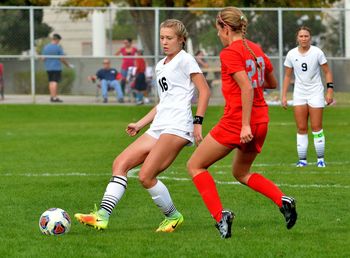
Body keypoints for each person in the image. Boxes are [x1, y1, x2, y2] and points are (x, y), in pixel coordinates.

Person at [75, 19, 211, 233]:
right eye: (162, 37)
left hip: (177, 126)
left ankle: (173, 216)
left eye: (169, 38)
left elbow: (204, 91)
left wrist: (198, 123)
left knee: (146, 176)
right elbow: (163, 102)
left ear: (182, 40)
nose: (164, 42)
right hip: (159, 125)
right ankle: (102, 216)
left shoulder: (186, 60)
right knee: (120, 163)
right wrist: (140, 123)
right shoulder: (160, 65)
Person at [187, 7, 297, 239]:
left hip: (238, 122)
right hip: (261, 121)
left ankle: (220, 216)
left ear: (226, 28)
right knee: (241, 172)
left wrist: (244, 124)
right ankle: (282, 199)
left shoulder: (229, 52)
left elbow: (247, 87)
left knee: (195, 166)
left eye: (218, 29)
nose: (218, 34)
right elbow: (272, 82)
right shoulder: (256, 49)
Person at [282, 26, 334, 168]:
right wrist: (284, 95)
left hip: (315, 92)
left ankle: (320, 159)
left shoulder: (317, 52)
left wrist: (329, 91)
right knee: (301, 128)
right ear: (297, 38)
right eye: (301, 36)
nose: (304, 38)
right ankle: (302, 160)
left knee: (316, 127)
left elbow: (327, 72)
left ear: (310, 38)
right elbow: (287, 76)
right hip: (299, 93)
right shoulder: (291, 54)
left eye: (306, 36)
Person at [42, 33, 73, 103]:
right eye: (59, 41)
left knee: (50, 82)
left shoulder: (45, 47)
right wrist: (68, 65)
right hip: (56, 67)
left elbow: (43, 58)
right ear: (57, 40)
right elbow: (62, 59)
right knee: (55, 82)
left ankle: (52, 96)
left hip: (48, 68)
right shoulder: (58, 48)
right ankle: (55, 97)